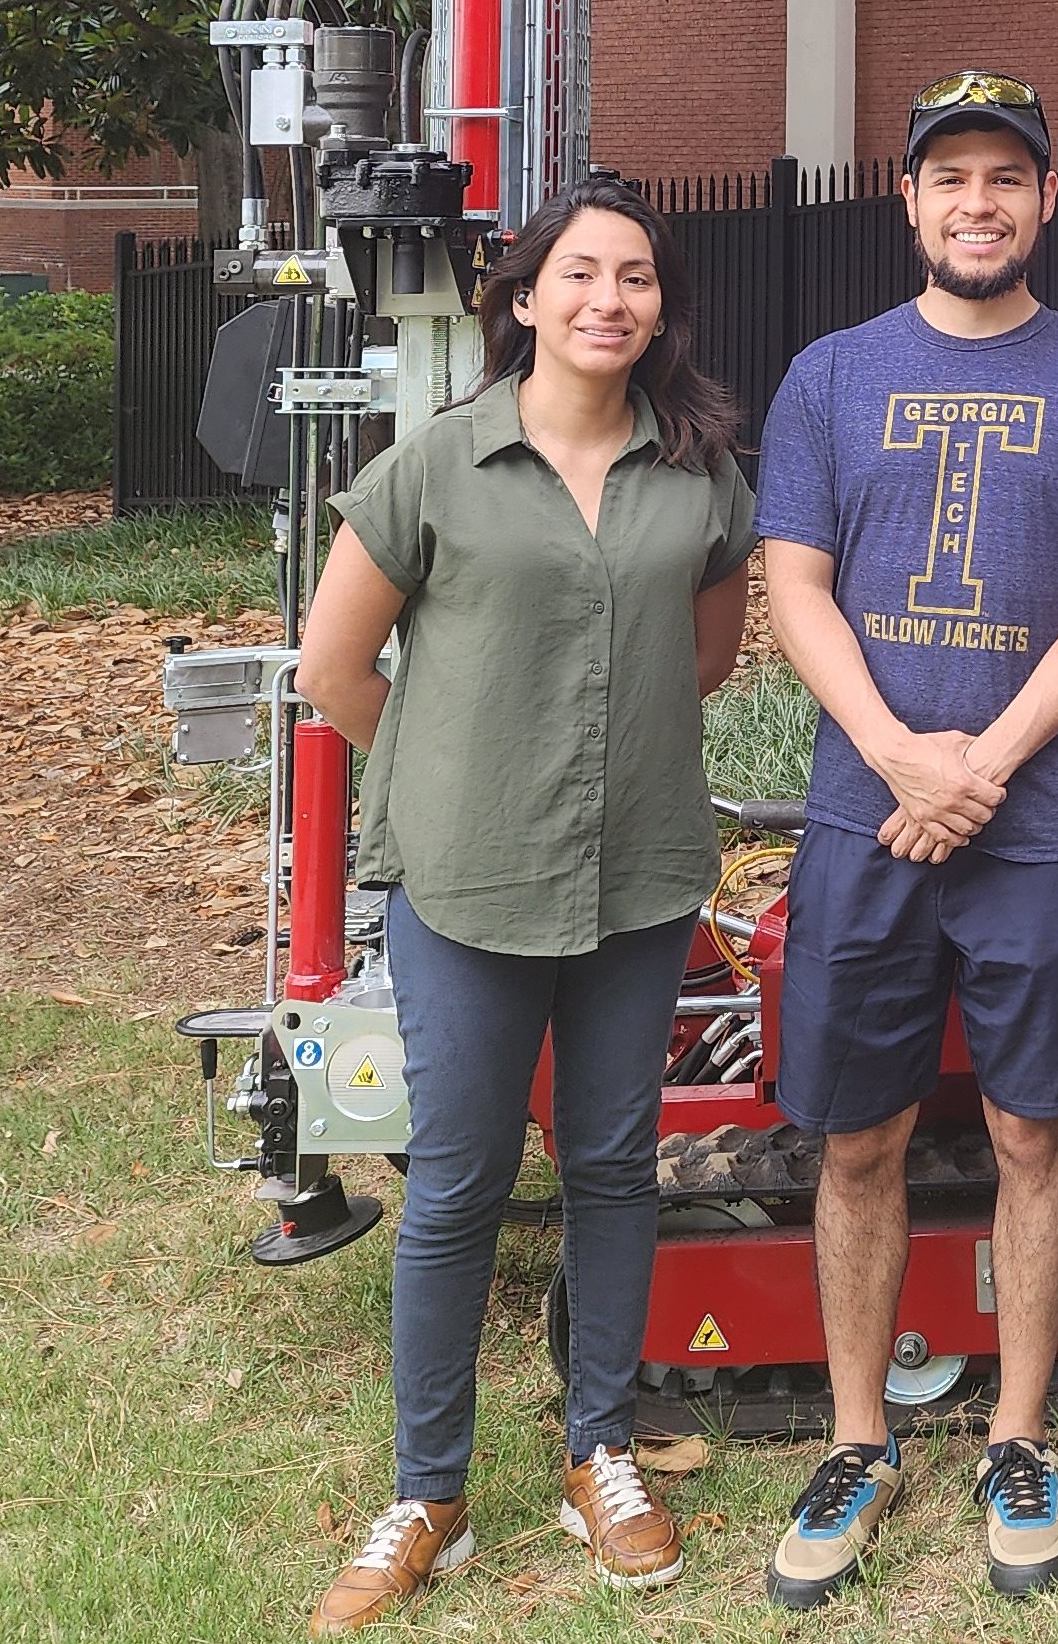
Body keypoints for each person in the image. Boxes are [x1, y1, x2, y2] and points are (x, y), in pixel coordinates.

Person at [755, 70, 1058, 1608]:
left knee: (1031, 1128)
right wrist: (896, 753)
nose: (980, 203)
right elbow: (794, 584)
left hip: (1041, 824)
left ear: (1045, 201)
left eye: (1008, 177)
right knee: (858, 1132)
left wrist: (985, 766)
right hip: (864, 816)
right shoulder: (828, 376)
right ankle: (860, 1436)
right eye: (954, 178)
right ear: (912, 199)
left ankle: (1018, 1433)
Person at [296, 175, 755, 1634]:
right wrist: (452, 778)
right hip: (467, 882)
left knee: (616, 1165)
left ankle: (598, 1448)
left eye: (636, 277)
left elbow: (706, 659)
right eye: (580, 273)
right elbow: (334, 668)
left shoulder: (697, 475)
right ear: (527, 296)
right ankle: (430, 1487)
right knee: (459, 1183)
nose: (608, 299)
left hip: (637, 878)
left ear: (659, 305)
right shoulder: (437, 465)